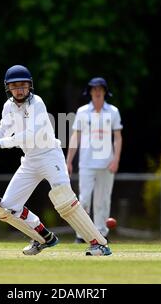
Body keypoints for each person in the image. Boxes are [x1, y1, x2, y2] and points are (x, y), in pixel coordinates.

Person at [0, 65, 112, 256]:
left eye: (23, 85)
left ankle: (99, 244)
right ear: (8, 88)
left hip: (50, 155)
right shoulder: (8, 106)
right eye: (14, 86)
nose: (19, 90)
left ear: (30, 86)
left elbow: (30, 135)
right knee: (7, 209)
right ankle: (43, 238)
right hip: (30, 160)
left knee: (64, 199)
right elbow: (2, 131)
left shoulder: (37, 103)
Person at [66, 77, 123, 243]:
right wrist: (69, 160)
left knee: (102, 200)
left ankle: (101, 234)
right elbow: (75, 137)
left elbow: (118, 138)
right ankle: (81, 235)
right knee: (83, 199)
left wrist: (116, 160)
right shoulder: (83, 112)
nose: (97, 92)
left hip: (106, 163)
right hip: (86, 163)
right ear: (90, 92)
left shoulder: (113, 111)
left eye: (100, 89)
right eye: (94, 89)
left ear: (105, 91)